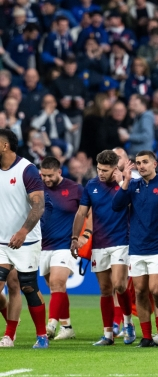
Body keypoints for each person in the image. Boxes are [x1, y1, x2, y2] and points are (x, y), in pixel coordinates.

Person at [112, 150, 158, 348]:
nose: (141, 165)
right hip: (136, 247)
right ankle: (146, 336)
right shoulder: (132, 186)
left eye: (145, 162)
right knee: (140, 291)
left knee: (157, 290)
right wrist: (125, 181)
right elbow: (116, 206)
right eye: (138, 163)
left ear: (154, 164)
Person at [71, 150, 135, 346]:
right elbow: (82, 213)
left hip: (122, 241)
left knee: (119, 285)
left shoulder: (127, 184)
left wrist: (120, 183)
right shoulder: (91, 186)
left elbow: (135, 207)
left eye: (105, 170)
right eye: (99, 169)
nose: (100, 173)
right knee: (106, 290)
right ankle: (107, 334)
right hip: (100, 243)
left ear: (115, 168)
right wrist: (75, 237)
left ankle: (128, 322)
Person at [0, 129, 47, 348]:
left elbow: (39, 205)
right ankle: (9, 334)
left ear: (4, 146)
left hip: (26, 241)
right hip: (1, 242)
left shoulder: (26, 170)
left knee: (27, 287)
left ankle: (41, 336)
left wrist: (23, 232)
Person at [40, 157, 83, 341]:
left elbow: (87, 212)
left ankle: (51, 324)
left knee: (57, 283)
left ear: (59, 172)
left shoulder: (75, 189)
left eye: (50, 175)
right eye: (43, 175)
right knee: (55, 287)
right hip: (42, 246)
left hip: (65, 244)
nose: (46, 179)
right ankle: (67, 327)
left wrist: (84, 234)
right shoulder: (37, 188)